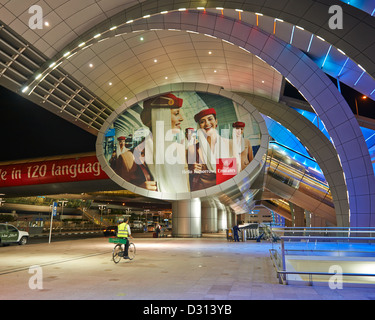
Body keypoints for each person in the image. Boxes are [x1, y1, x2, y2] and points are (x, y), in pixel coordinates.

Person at [187, 108, 234, 191]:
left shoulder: (229, 144)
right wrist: (191, 169)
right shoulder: (192, 149)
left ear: (216, 121)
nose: (207, 123)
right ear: (199, 126)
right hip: (201, 192)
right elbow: (188, 176)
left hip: (223, 191)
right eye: (202, 121)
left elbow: (232, 175)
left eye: (210, 119)